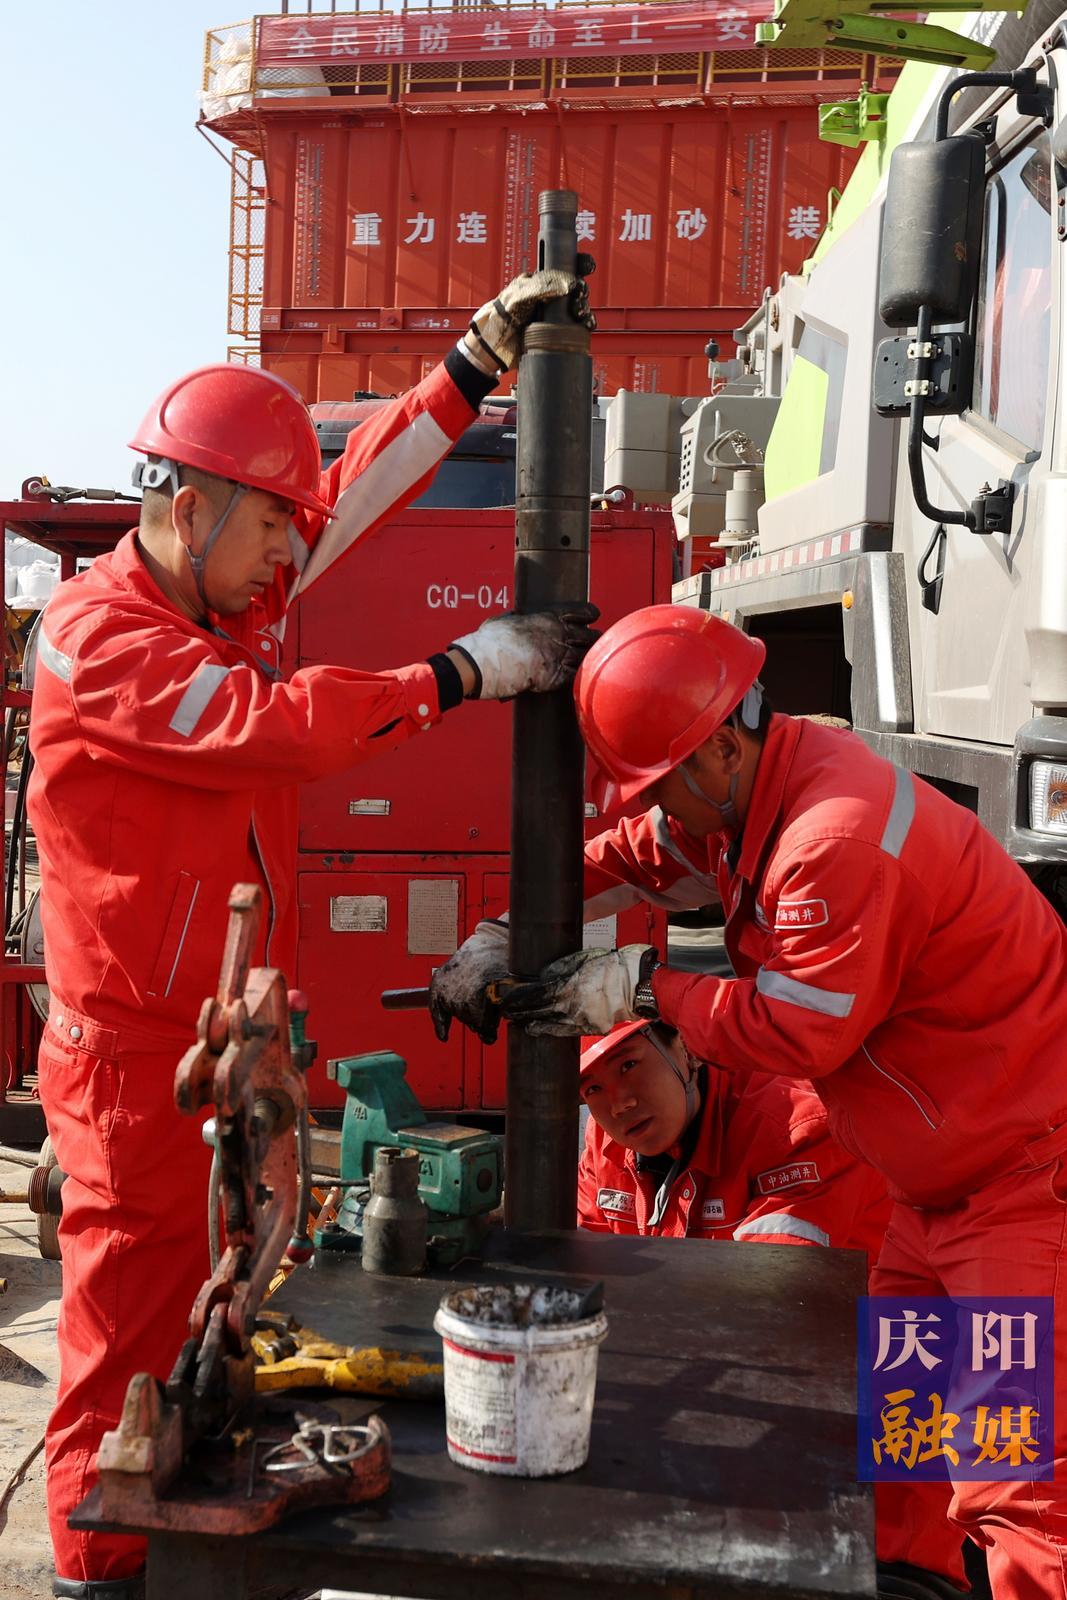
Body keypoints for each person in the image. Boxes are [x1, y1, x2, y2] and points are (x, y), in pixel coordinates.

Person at [29, 268, 596, 1600]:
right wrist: (461, 671)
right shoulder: (98, 638)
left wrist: (469, 365)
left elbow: (349, 495)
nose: (293, 554)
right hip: (133, 1066)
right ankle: (95, 1570)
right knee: (121, 1346)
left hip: (218, 1044)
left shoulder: (215, 594)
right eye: (271, 526)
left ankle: (171, 1534)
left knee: (212, 1313)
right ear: (192, 507)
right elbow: (272, 726)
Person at [430, 602, 1067, 1599]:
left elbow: (799, 1033)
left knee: (1010, 1473)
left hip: (1017, 1186)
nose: (658, 812)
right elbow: (632, 855)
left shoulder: (830, 836)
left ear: (720, 748)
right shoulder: (752, 797)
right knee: (900, 1435)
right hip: (933, 1188)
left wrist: (642, 987)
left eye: (660, 788)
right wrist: (507, 928)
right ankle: (907, 1587)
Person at [577, 1020, 889, 1254]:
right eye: (593, 1088)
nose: (619, 1105)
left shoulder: (797, 1132)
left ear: (686, 1049)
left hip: (875, 1320)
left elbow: (773, 1288)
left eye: (628, 1065)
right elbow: (583, 1265)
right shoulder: (603, 1141)